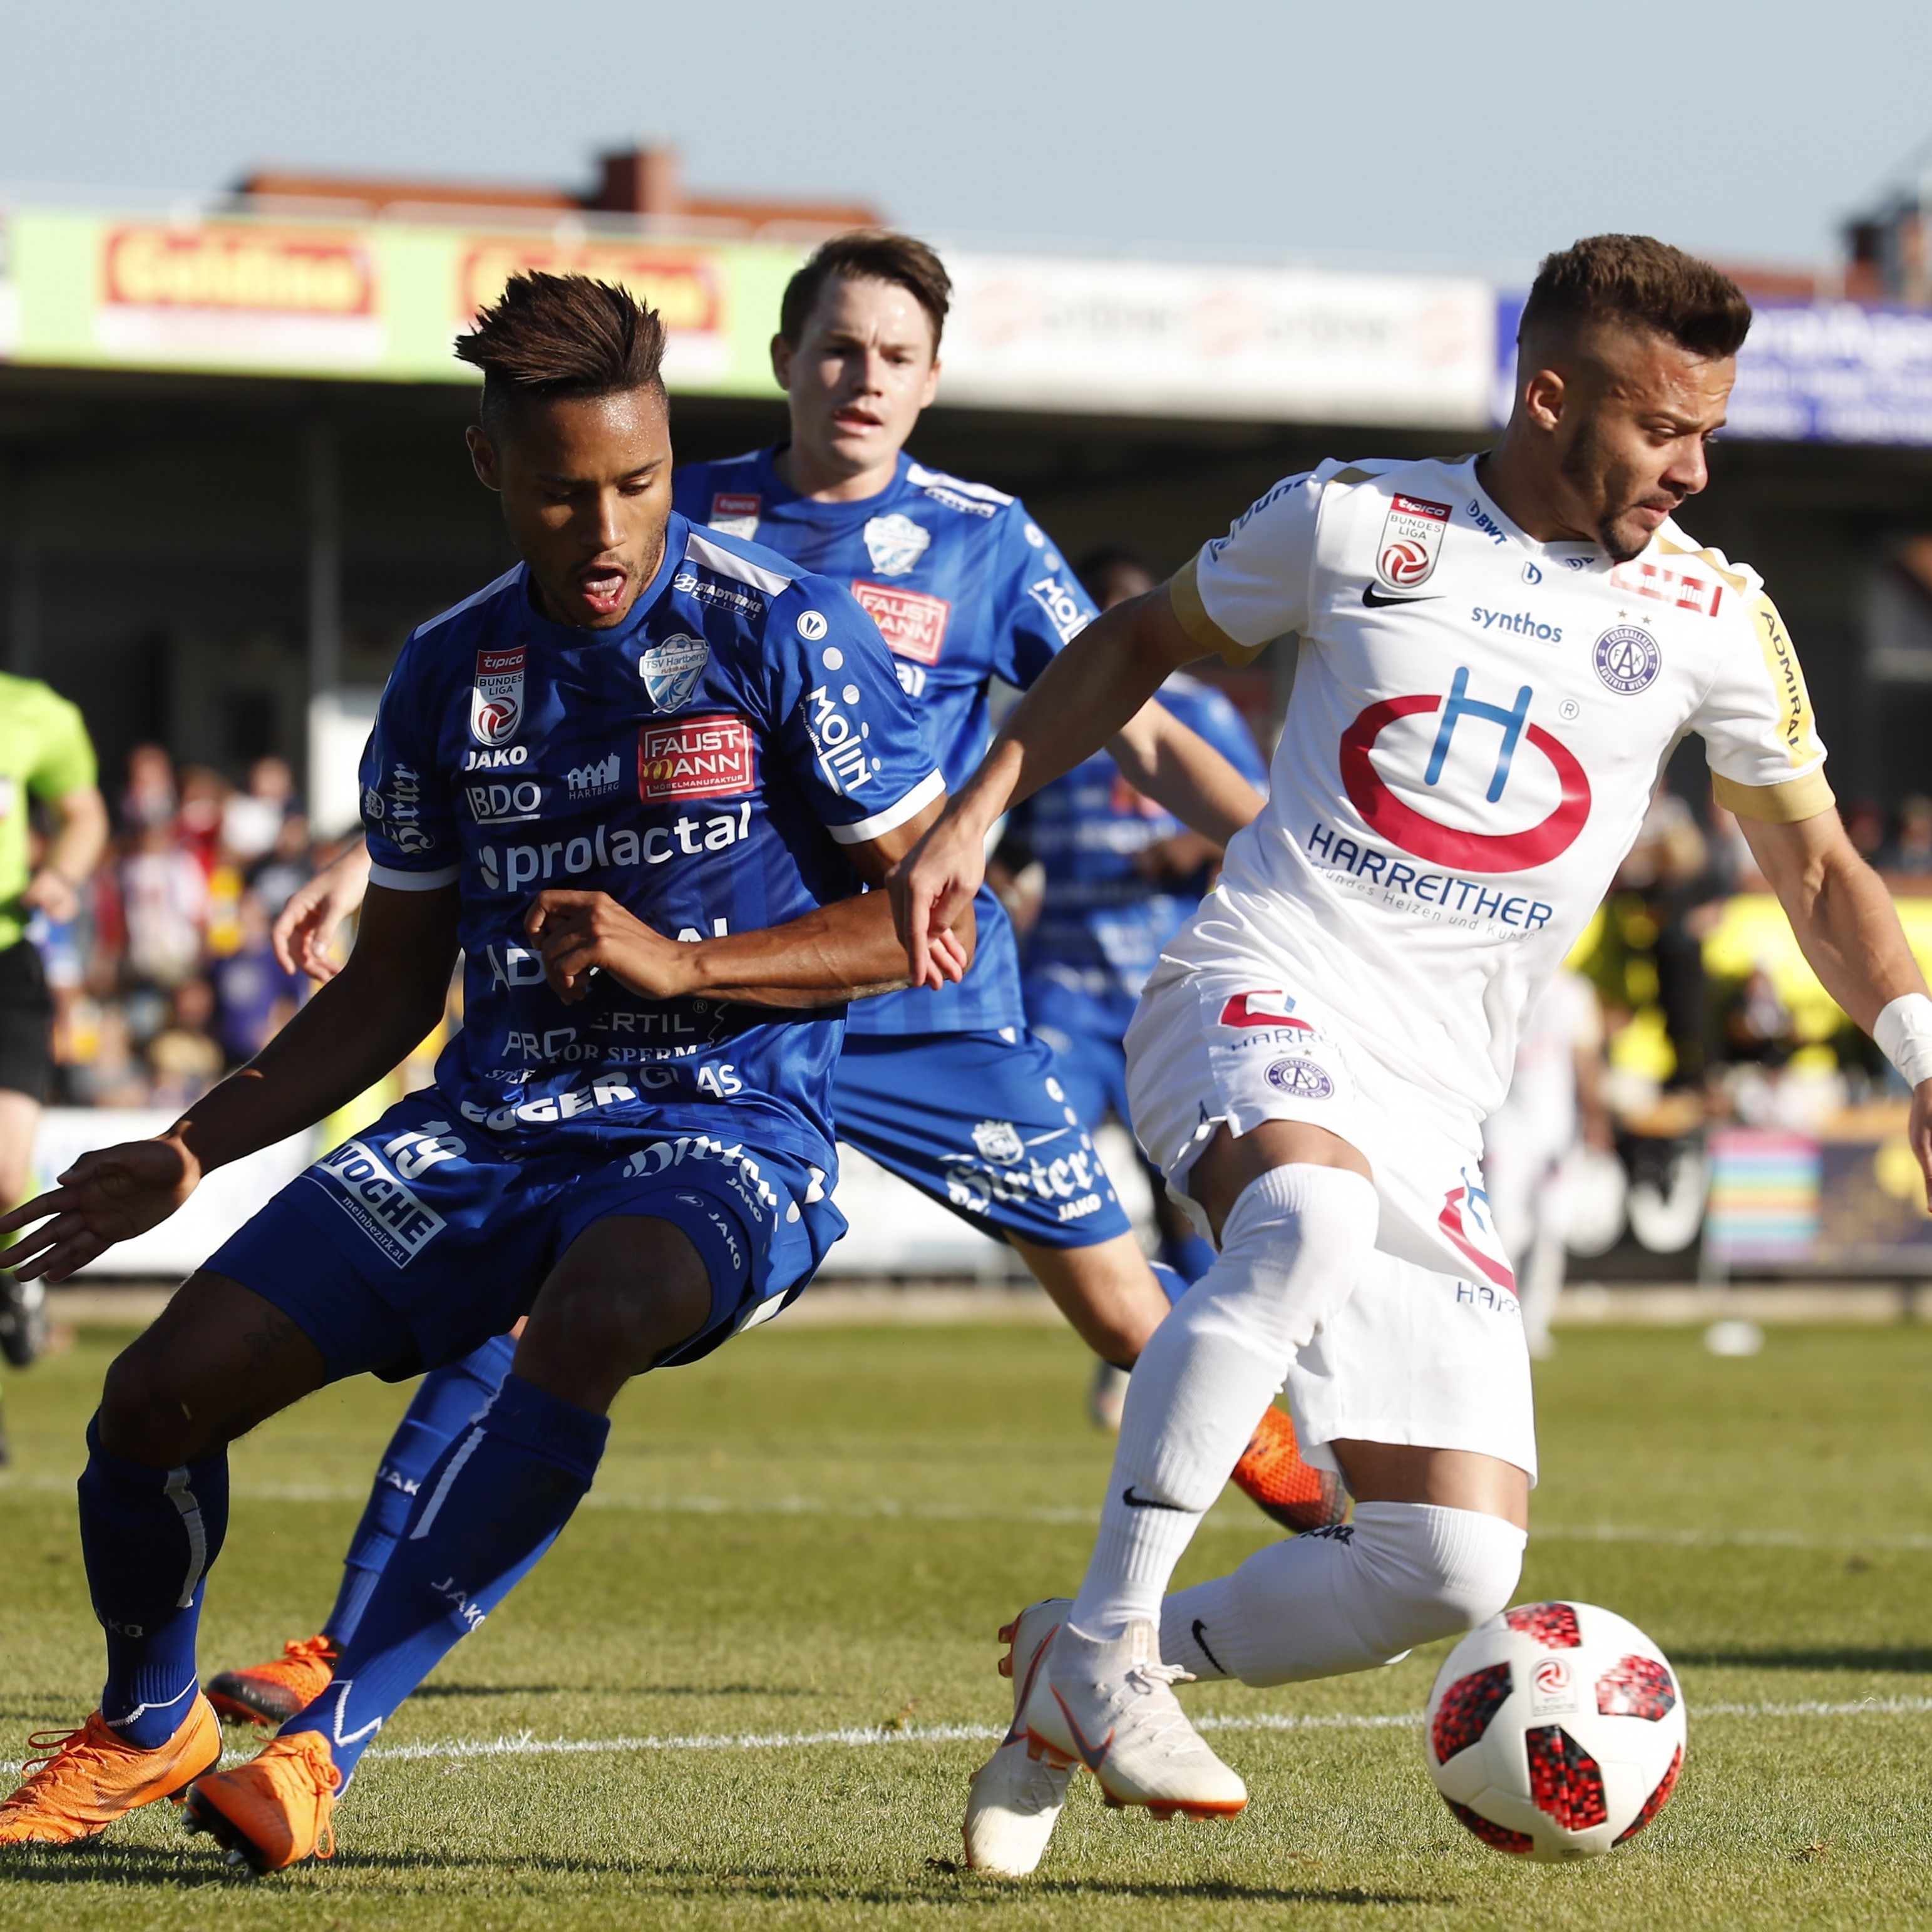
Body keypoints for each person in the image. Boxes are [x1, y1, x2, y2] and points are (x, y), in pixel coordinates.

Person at [203, 230, 1337, 1744]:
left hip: (916, 988)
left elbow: (1134, 727)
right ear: (786, 360)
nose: (861, 377)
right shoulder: (669, 494)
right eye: (836, 347)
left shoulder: (985, 536)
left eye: (894, 355)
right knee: (517, 1285)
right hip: (700, 1005)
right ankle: (339, 1649)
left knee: (1126, 1303)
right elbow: (508, 705)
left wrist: (1290, 860)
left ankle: (1332, 1516)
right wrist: (374, 858)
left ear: (931, 382)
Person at [893, 234, 1932, 1866]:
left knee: (1442, 1564)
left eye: (1706, 431)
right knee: (1293, 1219)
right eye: (1665, 428)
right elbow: (1134, 641)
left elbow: (1811, 866)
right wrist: (978, 808)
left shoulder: (1712, 611)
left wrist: (1917, 1048)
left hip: (1434, 1104)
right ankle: (1106, 1637)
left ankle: (1083, 1665)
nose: (1696, 464)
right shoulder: (1353, 519)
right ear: (1544, 395)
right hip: (1259, 982)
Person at [0, 270, 974, 1869]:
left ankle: (326, 1743)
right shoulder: (448, 674)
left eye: (639, 483)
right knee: (152, 1400)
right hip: (488, 1125)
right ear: (489, 472)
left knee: (587, 1315)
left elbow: (933, 911)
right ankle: (147, 1716)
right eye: (563, 491)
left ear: (669, 454)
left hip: (727, 1128)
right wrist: (186, 1149)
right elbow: (388, 984)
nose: (606, 528)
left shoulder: (776, 627)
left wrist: (690, 966)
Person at [0, 677, 108, 1457]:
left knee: (6, 1177)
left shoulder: (36, 711)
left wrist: (63, 875)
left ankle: (18, 1285)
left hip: (8, 965)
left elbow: (83, 812)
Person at [1481, 967, 1610, 1357]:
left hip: (1556, 1128)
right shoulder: (1500, 975)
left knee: (1550, 1228)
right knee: (1503, 1225)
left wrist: (1594, 1118)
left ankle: (1534, 1323)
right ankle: (1493, 1316)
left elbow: (1586, 1059)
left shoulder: (1575, 992)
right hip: (1504, 1123)